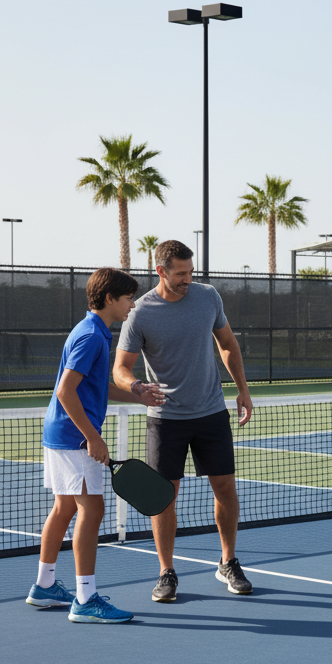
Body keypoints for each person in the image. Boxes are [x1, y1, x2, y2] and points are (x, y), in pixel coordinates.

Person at [114, 240, 254, 602]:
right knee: (164, 497)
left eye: (191, 272)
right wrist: (137, 386)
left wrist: (243, 389)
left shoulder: (208, 297)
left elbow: (227, 344)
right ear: (161, 271)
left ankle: (227, 561)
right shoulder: (140, 313)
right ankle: (166, 572)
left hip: (211, 412)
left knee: (225, 488)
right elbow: (120, 370)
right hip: (165, 420)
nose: (188, 279)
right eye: (180, 274)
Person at [27, 268, 165, 622]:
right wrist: (93, 436)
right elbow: (65, 390)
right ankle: (86, 600)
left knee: (65, 508)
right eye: (128, 299)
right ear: (109, 299)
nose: (132, 306)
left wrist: (138, 394)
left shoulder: (92, 331)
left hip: (60, 434)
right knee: (93, 510)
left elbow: (94, 386)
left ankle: (44, 586)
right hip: (74, 437)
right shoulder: (91, 336)